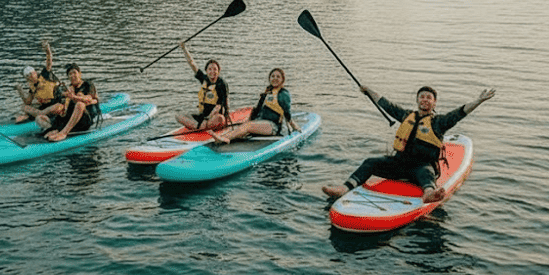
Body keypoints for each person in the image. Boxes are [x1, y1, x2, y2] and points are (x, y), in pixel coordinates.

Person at [322, 84, 496, 203]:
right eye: (422, 97)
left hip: (421, 167)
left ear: (434, 103)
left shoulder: (439, 122)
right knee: (370, 162)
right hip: (399, 164)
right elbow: (386, 104)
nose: (425, 100)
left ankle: (429, 194)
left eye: (429, 98)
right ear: (417, 100)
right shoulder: (406, 116)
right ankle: (344, 189)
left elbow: (460, 112)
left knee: (426, 173)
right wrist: (368, 91)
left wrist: (479, 100)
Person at [212, 68, 299, 143]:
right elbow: (257, 109)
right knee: (243, 126)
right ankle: (227, 137)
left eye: (278, 77)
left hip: (273, 126)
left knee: (248, 126)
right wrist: (250, 120)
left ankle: (224, 138)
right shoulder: (268, 92)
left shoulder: (283, 94)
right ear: (269, 78)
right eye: (273, 76)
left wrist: (293, 126)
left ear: (282, 80)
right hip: (261, 122)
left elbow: (287, 112)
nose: (275, 78)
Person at [175, 41, 229, 131]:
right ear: (206, 71)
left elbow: (218, 106)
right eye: (210, 69)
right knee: (178, 116)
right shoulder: (204, 79)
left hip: (213, 117)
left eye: (215, 69)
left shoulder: (221, 84)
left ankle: (199, 126)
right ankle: (198, 126)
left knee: (220, 118)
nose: (212, 72)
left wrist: (207, 119)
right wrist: (184, 48)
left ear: (218, 71)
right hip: (203, 115)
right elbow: (192, 63)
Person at [42, 63, 100, 142]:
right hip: (72, 119)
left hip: (85, 120)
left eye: (74, 73)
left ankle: (63, 133)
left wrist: (74, 97)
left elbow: (88, 99)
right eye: (70, 74)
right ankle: (58, 129)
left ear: (80, 74)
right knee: (59, 107)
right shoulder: (69, 89)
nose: (72, 75)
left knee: (80, 104)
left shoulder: (88, 84)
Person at [14, 41, 64, 123]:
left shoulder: (45, 75)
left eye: (31, 74)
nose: (31, 76)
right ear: (27, 79)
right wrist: (20, 90)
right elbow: (28, 102)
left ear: (35, 72)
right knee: (24, 107)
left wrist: (47, 49)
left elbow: (49, 60)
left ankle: (35, 115)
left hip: (55, 104)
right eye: (28, 76)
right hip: (44, 107)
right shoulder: (32, 87)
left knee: (50, 109)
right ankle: (34, 115)